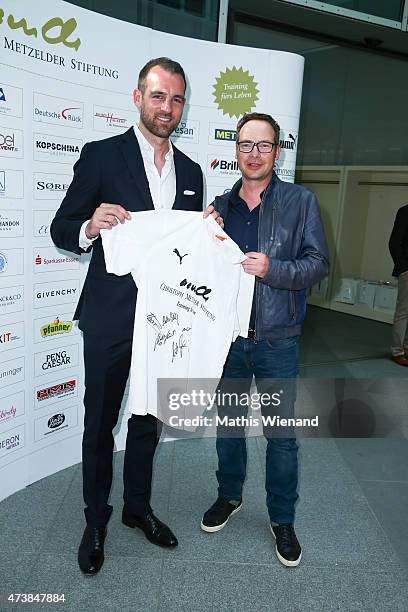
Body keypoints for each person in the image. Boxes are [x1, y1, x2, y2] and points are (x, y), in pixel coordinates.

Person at [51, 57, 220, 575]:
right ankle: (95, 518)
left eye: (175, 99)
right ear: (137, 97)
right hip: (110, 314)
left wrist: (210, 232)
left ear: (183, 106)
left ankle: (137, 508)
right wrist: (89, 225)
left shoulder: (192, 172)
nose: (166, 107)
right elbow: (61, 229)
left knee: (149, 419)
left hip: (167, 321)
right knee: (100, 420)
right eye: (157, 96)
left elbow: (193, 251)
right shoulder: (101, 156)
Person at [200, 112, 329, 567]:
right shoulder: (220, 208)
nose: (254, 154)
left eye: (264, 145)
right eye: (246, 144)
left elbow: (318, 264)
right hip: (229, 341)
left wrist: (272, 269)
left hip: (278, 341)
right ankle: (229, 496)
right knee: (229, 428)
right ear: (235, 150)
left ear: (277, 151)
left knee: (281, 438)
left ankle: (282, 519)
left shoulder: (300, 202)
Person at [389, 204, 408, 366]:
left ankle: (407, 347)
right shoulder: (405, 211)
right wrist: (404, 268)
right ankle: (397, 351)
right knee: (404, 312)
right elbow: (394, 243)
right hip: (407, 271)